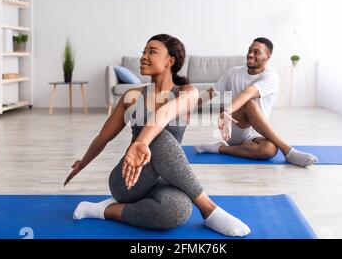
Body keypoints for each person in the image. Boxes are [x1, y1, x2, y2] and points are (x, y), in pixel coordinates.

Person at [64, 34, 250, 237]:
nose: (143, 56)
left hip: (164, 180)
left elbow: (165, 113)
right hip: (127, 180)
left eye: (151, 51)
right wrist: (83, 162)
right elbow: (103, 137)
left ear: (170, 60)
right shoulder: (132, 96)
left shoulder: (187, 92)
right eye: (143, 52)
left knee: (177, 211)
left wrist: (141, 142)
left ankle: (99, 210)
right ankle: (209, 209)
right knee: (158, 136)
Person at [196, 37, 318, 167]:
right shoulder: (233, 72)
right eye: (249, 50)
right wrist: (183, 105)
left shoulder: (271, 76)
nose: (250, 54)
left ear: (267, 57)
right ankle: (288, 151)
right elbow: (211, 92)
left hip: (258, 132)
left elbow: (248, 92)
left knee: (269, 150)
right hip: (235, 127)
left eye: (256, 52)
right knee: (249, 104)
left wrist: (227, 110)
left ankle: (219, 148)